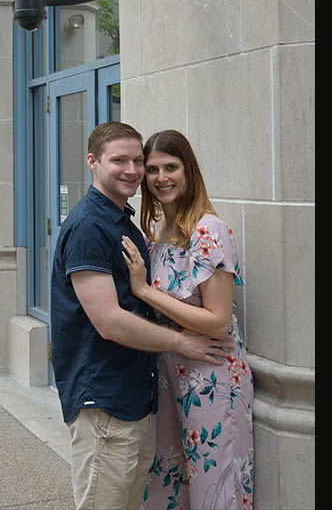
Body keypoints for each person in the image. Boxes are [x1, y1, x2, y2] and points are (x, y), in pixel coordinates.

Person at [51, 121, 236, 510]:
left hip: (142, 395)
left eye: (139, 161)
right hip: (104, 400)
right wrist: (180, 341)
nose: (134, 171)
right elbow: (110, 321)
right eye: (120, 160)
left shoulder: (128, 225)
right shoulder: (89, 227)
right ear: (92, 162)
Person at [120, 129, 255, 510]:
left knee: (217, 490)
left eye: (171, 167)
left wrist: (146, 291)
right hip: (167, 376)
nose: (161, 177)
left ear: (188, 170)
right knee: (164, 485)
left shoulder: (208, 231)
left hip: (212, 377)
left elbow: (217, 320)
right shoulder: (155, 233)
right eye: (153, 169)